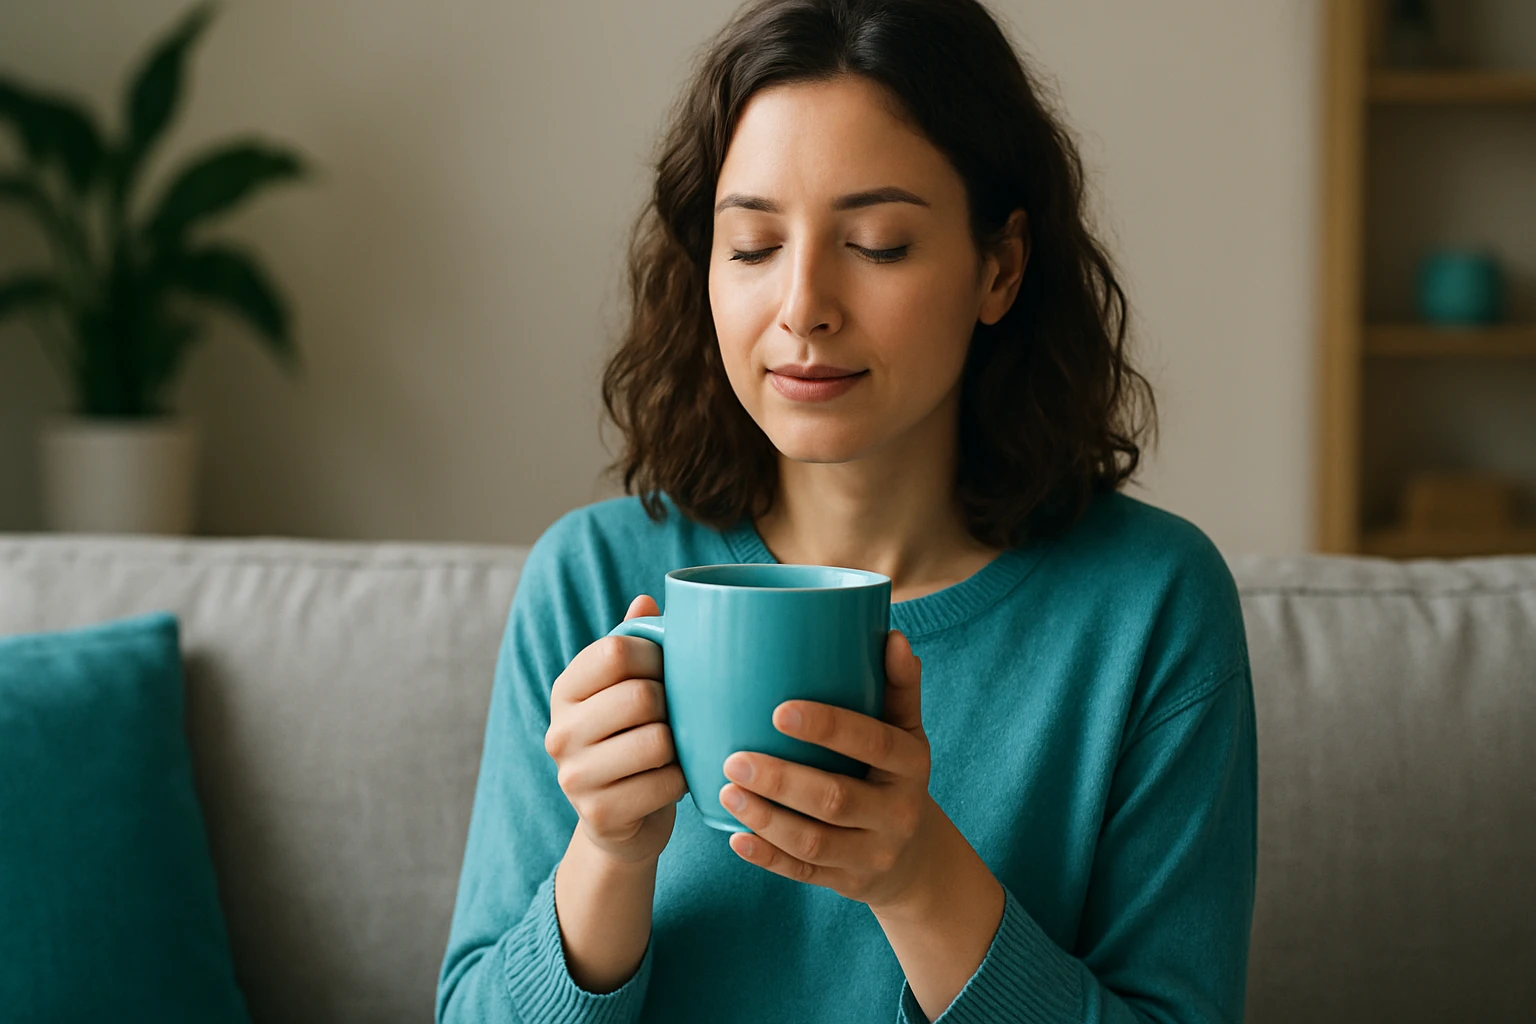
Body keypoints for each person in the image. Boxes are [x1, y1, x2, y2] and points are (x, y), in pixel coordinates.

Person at [436, 0, 1256, 1020]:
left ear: (999, 265)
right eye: (751, 246)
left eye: (876, 243)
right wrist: (605, 855)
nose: (802, 305)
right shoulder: (591, 580)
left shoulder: (1149, 608)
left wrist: (919, 879)